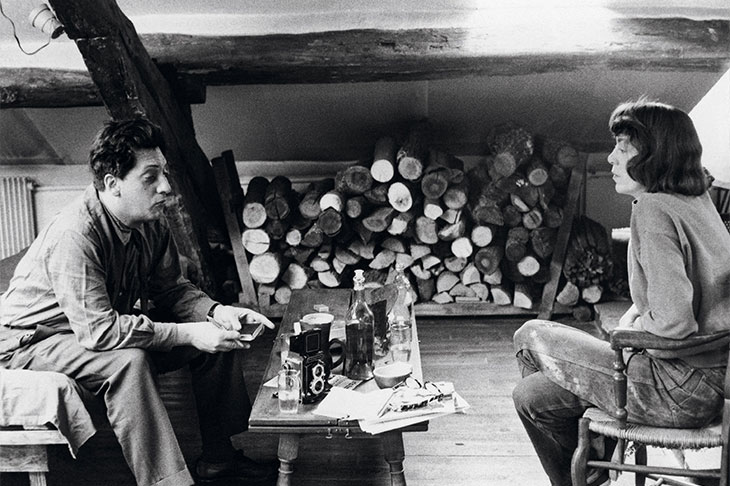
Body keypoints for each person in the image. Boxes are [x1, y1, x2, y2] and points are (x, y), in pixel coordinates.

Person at [0, 117, 277, 486]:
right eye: (150, 178)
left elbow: (172, 289)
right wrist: (187, 334)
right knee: (129, 361)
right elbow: (100, 333)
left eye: (164, 173)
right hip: (30, 342)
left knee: (215, 333)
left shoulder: (150, 222)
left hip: (85, 330)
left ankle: (219, 458)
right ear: (113, 185)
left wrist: (215, 312)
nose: (165, 188)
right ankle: (167, 482)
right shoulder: (75, 234)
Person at [512, 99, 730, 486]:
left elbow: (675, 323)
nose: (611, 158)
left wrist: (624, 337)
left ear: (653, 156)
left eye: (623, 149)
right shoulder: (697, 198)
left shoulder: (652, 209)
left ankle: (590, 472)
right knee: (532, 396)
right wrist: (636, 315)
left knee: (530, 335)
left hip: (675, 388)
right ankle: (597, 463)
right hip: (712, 379)